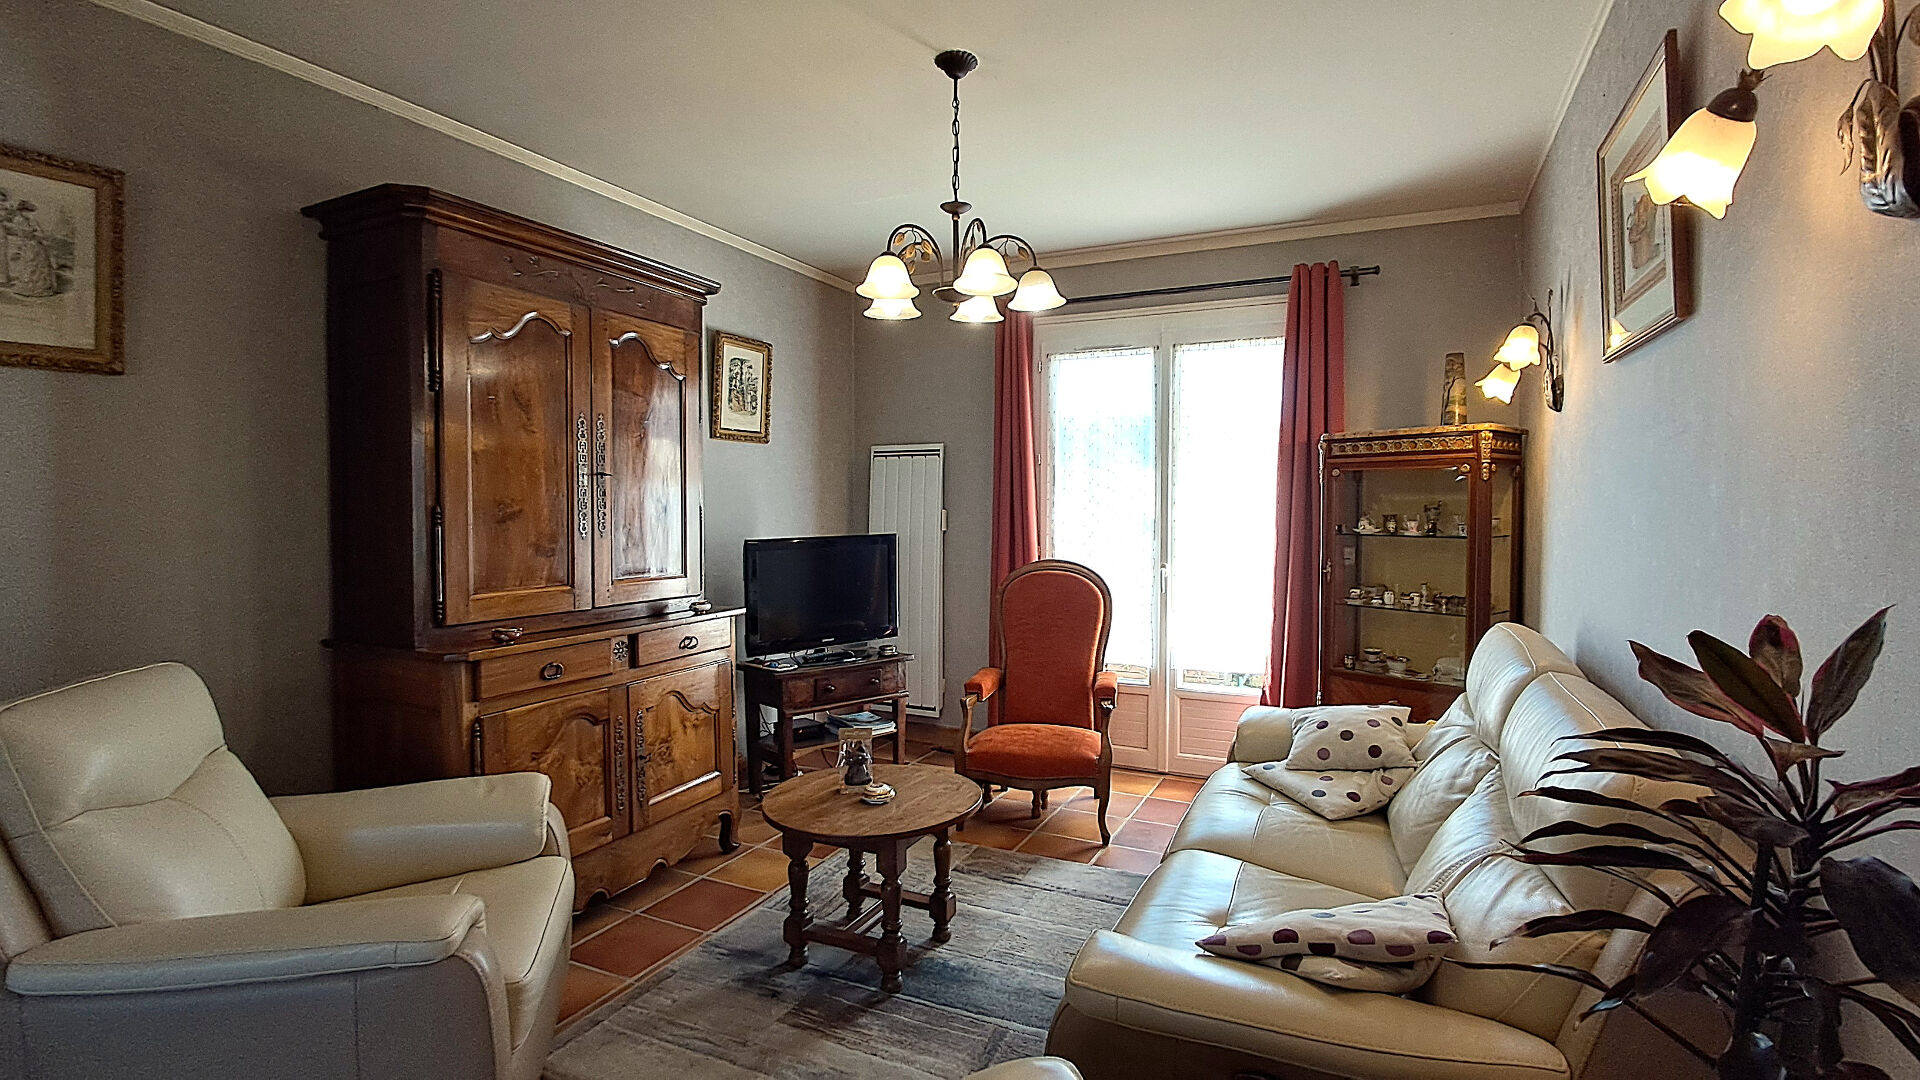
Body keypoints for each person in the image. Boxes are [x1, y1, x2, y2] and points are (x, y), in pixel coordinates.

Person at [2, 199, 58, 298]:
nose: (27, 213)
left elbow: (39, 232)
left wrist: (37, 234)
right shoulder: (18, 220)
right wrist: (31, 233)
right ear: (21, 211)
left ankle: (40, 288)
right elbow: (23, 233)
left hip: (37, 245)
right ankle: (28, 287)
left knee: (39, 265)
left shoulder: (32, 220)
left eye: (29, 211)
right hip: (29, 244)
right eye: (25, 211)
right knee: (29, 264)